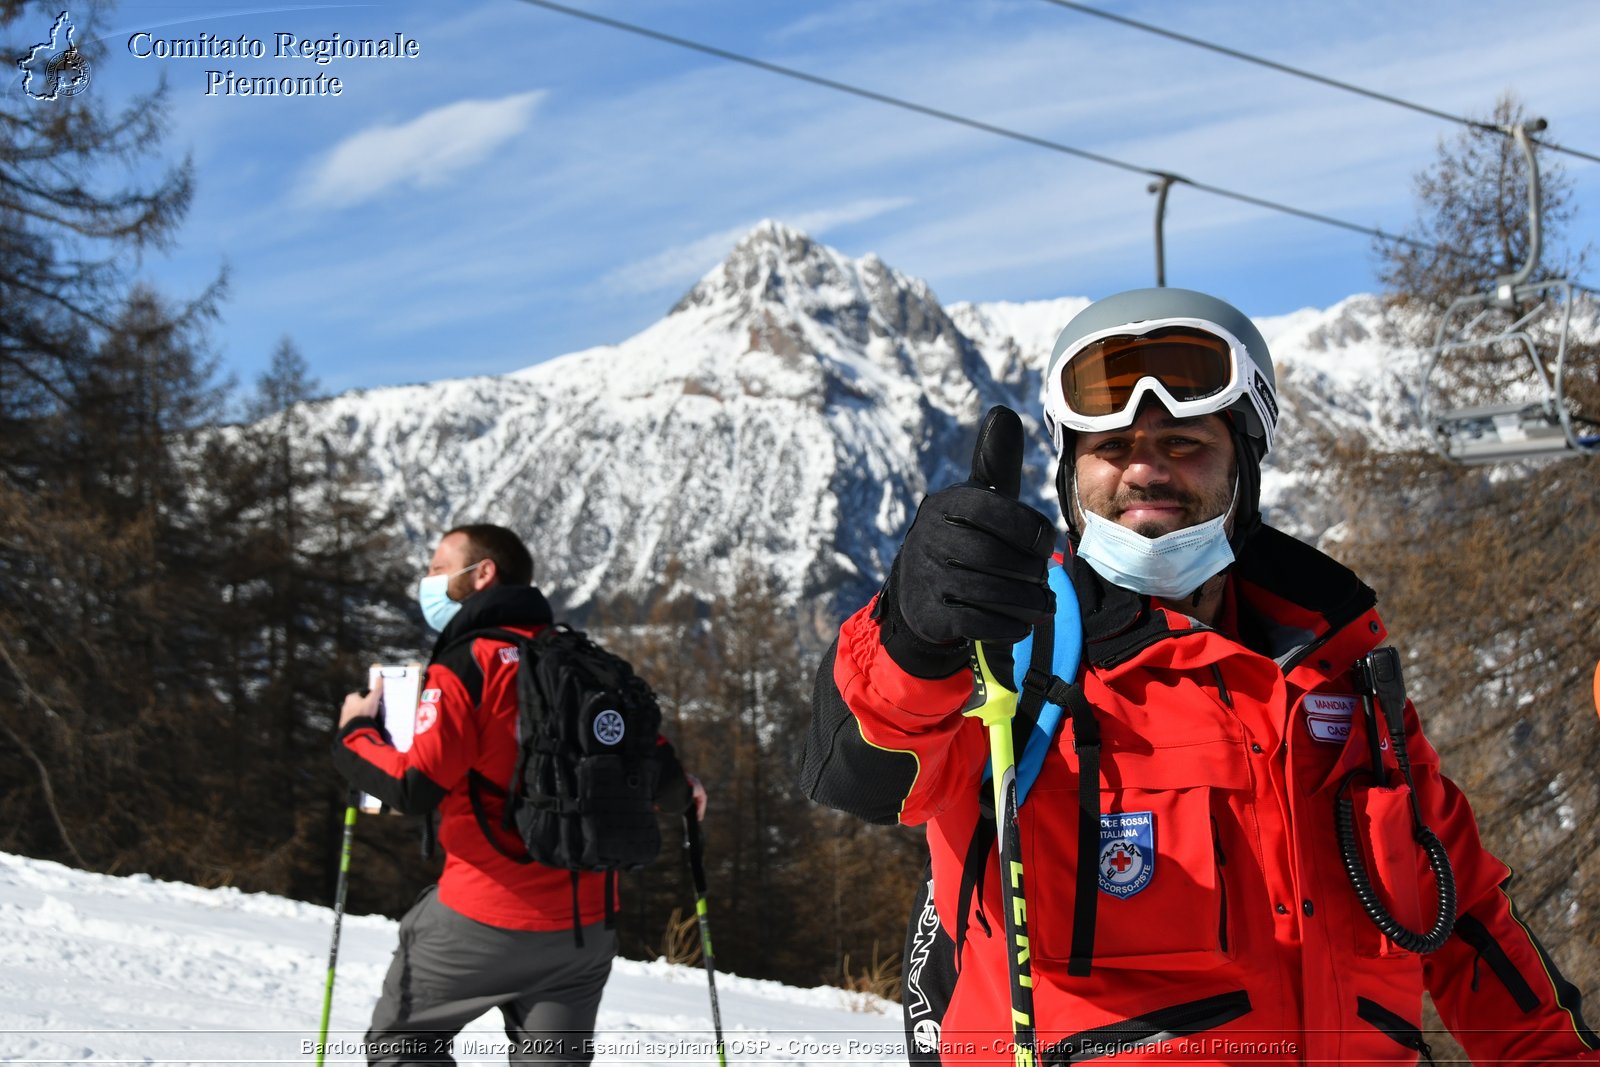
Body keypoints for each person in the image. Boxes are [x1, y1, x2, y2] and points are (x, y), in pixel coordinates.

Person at [800, 289, 1598, 1064]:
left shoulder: (1338, 677)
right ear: (1071, 477)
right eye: (1111, 448)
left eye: (1184, 444)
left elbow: (1464, 920)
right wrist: (909, 635)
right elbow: (860, 774)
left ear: (1244, 463)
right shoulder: (1011, 653)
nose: (1145, 471)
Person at [334, 523, 705, 1067]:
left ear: (482, 574)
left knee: (401, 1048)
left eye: (438, 569)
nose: (428, 582)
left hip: (483, 914)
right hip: (584, 928)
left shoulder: (468, 663)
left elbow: (413, 785)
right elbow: (667, 780)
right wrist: (686, 788)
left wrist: (354, 734)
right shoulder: (584, 663)